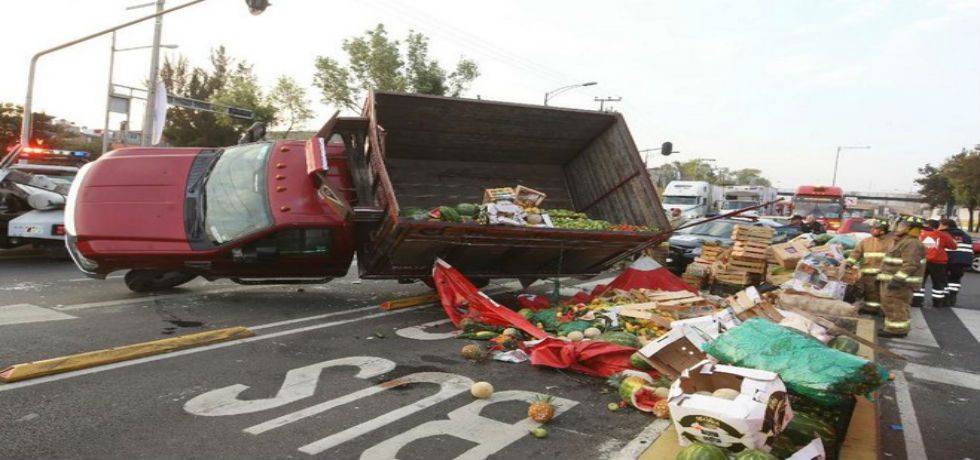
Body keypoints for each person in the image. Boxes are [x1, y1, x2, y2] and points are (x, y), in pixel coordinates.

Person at [877, 217, 927, 338]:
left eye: (901, 226)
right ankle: (893, 328)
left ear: (910, 229)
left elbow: (910, 265)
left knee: (896, 306)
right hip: (893, 281)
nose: (897, 229)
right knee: (890, 305)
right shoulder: (903, 241)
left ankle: (897, 331)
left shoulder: (912, 243)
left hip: (901, 284)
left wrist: (897, 279)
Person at [846, 219, 894, 314]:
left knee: (885, 294)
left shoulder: (892, 242)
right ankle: (872, 309)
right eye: (871, 229)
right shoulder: (866, 241)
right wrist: (849, 263)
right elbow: (856, 253)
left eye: (874, 229)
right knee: (870, 293)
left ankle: (886, 311)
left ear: (883, 230)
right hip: (869, 273)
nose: (871, 231)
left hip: (885, 273)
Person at [916, 219, 958, 308]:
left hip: (922, 261)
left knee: (920, 282)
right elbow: (953, 246)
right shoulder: (942, 235)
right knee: (938, 283)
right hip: (938, 262)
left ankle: (916, 302)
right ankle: (938, 303)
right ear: (938, 226)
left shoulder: (919, 234)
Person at [940, 218, 973, 306]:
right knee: (955, 279)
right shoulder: (966, 235)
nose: (939, 227)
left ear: (946, 225)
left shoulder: (944, 234)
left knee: (944, 278)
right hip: (963, 261)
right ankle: (952, 297)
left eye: (940, 225)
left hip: (949, 258)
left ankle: (945, 298)